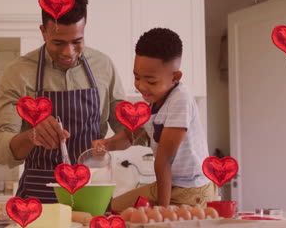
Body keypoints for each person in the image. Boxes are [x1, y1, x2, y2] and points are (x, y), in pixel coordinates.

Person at [0, 0, 126, 203]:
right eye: (58, 42)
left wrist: (112, 143)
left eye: (77, 41)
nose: (68, 52)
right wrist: (32, 135)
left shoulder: (103, 66)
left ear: (84, 27)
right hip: (38, 199)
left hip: (90, 194)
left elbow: (127, 132)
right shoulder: (18, 72)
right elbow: (0, 148)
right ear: (43, 32)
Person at [92, 28, 217, 211]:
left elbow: (164, 159)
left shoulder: (180, 100)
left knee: (151, 220)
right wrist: (107, 144)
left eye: (150, 81)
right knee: (113, 209)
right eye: (136, 77)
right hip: (170, 185)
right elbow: (130, 136)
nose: (141, 87)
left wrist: (163, 212)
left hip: (192, 190)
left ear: (175, 77)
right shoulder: (154, 101)